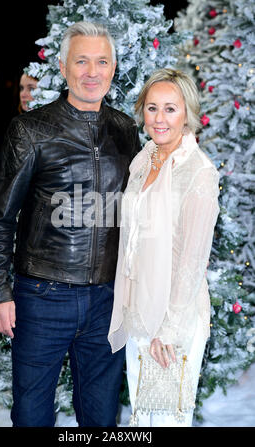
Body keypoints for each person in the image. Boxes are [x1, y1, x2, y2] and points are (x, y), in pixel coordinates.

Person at [0, 21, 140, 427]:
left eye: (102, 61)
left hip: (107, 299)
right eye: (81, 61)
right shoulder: (29, 131)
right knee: (32, 414)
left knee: (102, 416)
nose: (92, 71)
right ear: (64, 67)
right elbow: (0, 220)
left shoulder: (126, 131)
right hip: (42, 297)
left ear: (113, 67)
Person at [108, 68, 220, 427]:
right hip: (139, 311)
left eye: (170, 109)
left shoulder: (199, 173)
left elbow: (193, 261)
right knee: (143, 419)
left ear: (188, 112)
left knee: (169, 419)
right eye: (152, 107)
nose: (159, 118)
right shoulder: (144, 160)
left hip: (175, 318)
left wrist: (167, 329)